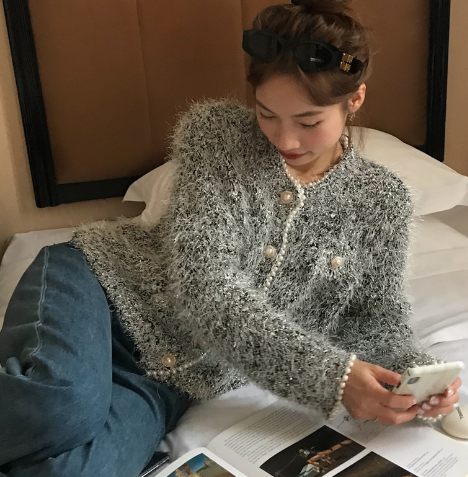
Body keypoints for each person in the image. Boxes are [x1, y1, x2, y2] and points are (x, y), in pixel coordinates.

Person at [0, 0, 462, 476]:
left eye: (308, 122)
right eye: (267, 114)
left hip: (170, 379)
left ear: (355, 100)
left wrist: (417, 377)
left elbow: (375, 319)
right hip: (97, 291)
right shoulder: (217, 136)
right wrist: (332, 379)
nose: (285, 140)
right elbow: (206, 287)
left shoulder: (382, 201)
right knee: (58, 407)